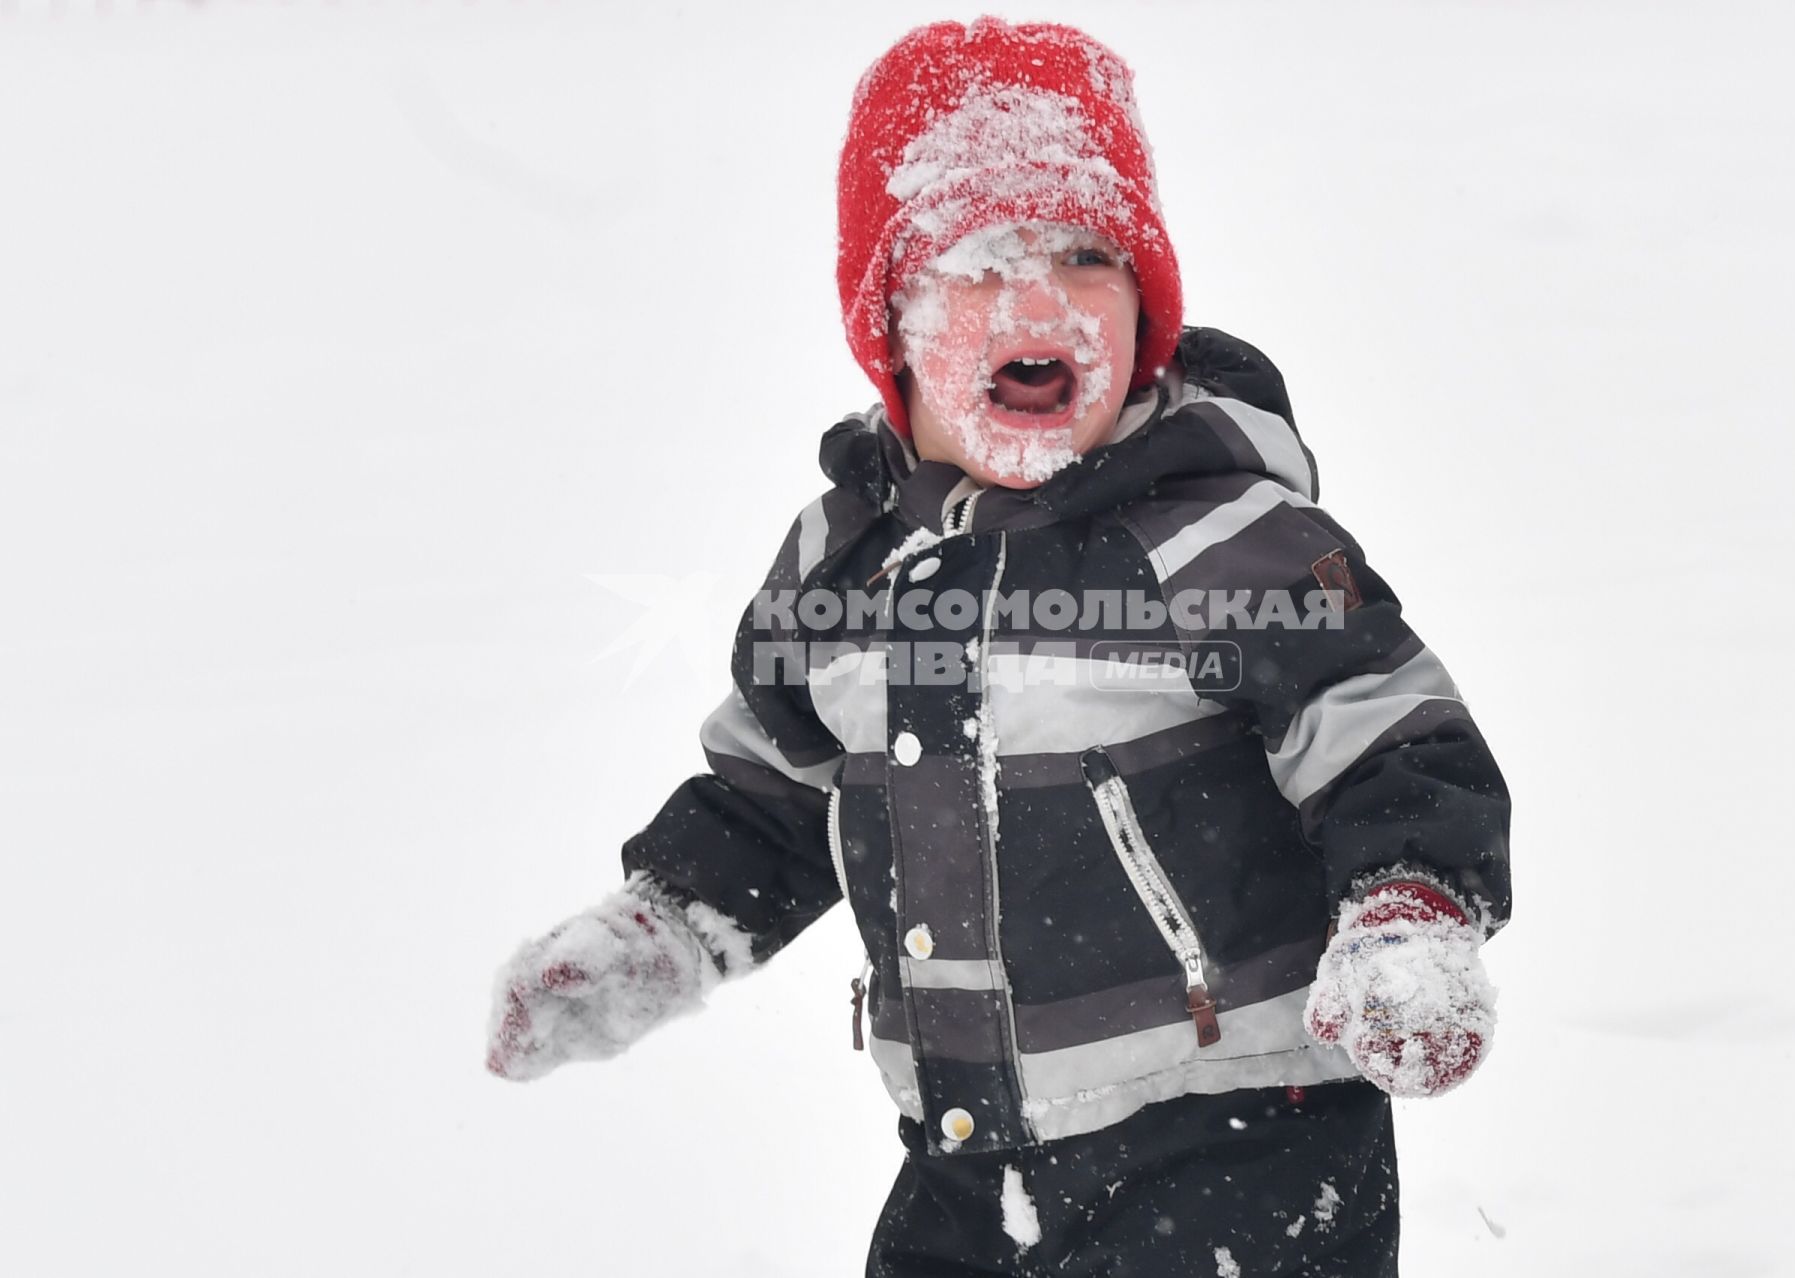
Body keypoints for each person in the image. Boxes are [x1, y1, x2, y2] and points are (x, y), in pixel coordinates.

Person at [486, 18, 1512, 1277]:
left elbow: (1391, 739)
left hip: (1246, 1135)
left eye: (1088, 256)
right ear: (891, 323)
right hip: (969, 1155)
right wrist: (663, 930)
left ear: (1147, 306)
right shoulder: (843, 566)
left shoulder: (1221, 538)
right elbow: (771, 792)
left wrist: (1408, 917)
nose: (1040, 301)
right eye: (978, 265)